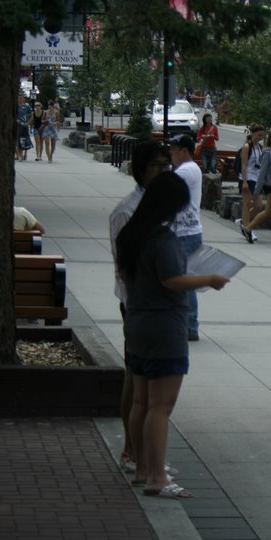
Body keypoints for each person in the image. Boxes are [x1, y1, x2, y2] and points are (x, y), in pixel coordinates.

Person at [116, 171, 229, 498]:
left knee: (140, 401)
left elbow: (123, 274)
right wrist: (209, 278)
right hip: (164, 325)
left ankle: (140, 469)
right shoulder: (162, 239)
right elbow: (173, 280)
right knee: (160, 407)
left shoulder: (130, 235)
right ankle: (156, 477)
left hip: (136, 321)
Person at [109, 140, 172, 477]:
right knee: (137, 380)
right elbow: (126, 268)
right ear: (140, 169)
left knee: (149, 381)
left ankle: (144, 452)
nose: (164, 172)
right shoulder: (127, 211)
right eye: (157, 166)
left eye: (167, 165)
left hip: (159, 303)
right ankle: (133, 452)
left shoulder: (159, 206)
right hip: (137, 304)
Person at [169, 135, 204, 341]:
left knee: (184, 282)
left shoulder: (187, 170)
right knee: (184, 281)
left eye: (173, 150)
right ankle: (187, 324)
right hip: (186, 231)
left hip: (185, 233)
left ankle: (190, 325)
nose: (171, 154)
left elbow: (164, 185)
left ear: (184, 151)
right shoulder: (190, 170)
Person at [235, 124, 265, 242]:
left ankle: (243, 221)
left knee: (259, 205)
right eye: (258, 135)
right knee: (247, 204)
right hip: (247, 177)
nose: (260, 137)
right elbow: (244, 164)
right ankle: (248, 230)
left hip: (256, 178)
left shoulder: (260, 147)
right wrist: (245, 182)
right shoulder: (247, 146)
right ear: (252, 134)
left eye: (262, 135)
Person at [15, 94, 32, 161]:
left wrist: (28, 123)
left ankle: (21, 155)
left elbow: (31, 116)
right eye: (19, 98)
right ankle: (19, 155)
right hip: (17, 125)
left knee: (23, 140)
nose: (20, 99)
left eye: (21, 98)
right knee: (17, 140)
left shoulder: (27, 107)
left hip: (24, 125)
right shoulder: (16, 106)